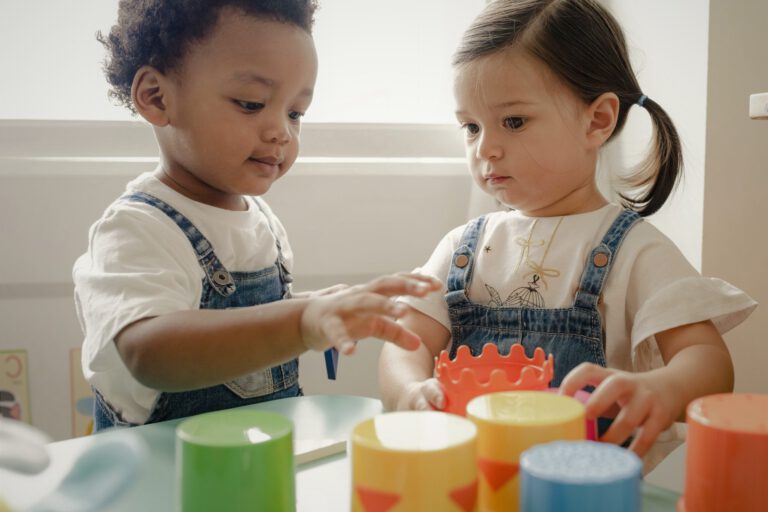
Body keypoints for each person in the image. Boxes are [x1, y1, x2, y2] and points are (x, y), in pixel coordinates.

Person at [379, 0, 756, 467]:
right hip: (473, 482)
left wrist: (660, 389)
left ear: (597, 120)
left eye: (513, 121)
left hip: (587, 487)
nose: (486, 148)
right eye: (471, 126)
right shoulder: (462, 248)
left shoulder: (635, 249)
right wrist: (410, 392)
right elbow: (407, 343)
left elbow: (708, 361)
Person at [73, 0, 440, 432]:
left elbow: (257, 325)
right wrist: (299, 321)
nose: (281, 131)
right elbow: (148, 353)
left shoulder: (261, 221)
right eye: (251, 103)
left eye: (295, 112)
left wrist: (316, 308)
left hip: (254, 468)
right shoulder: (136, 229)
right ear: (156, 96)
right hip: (160, 482)